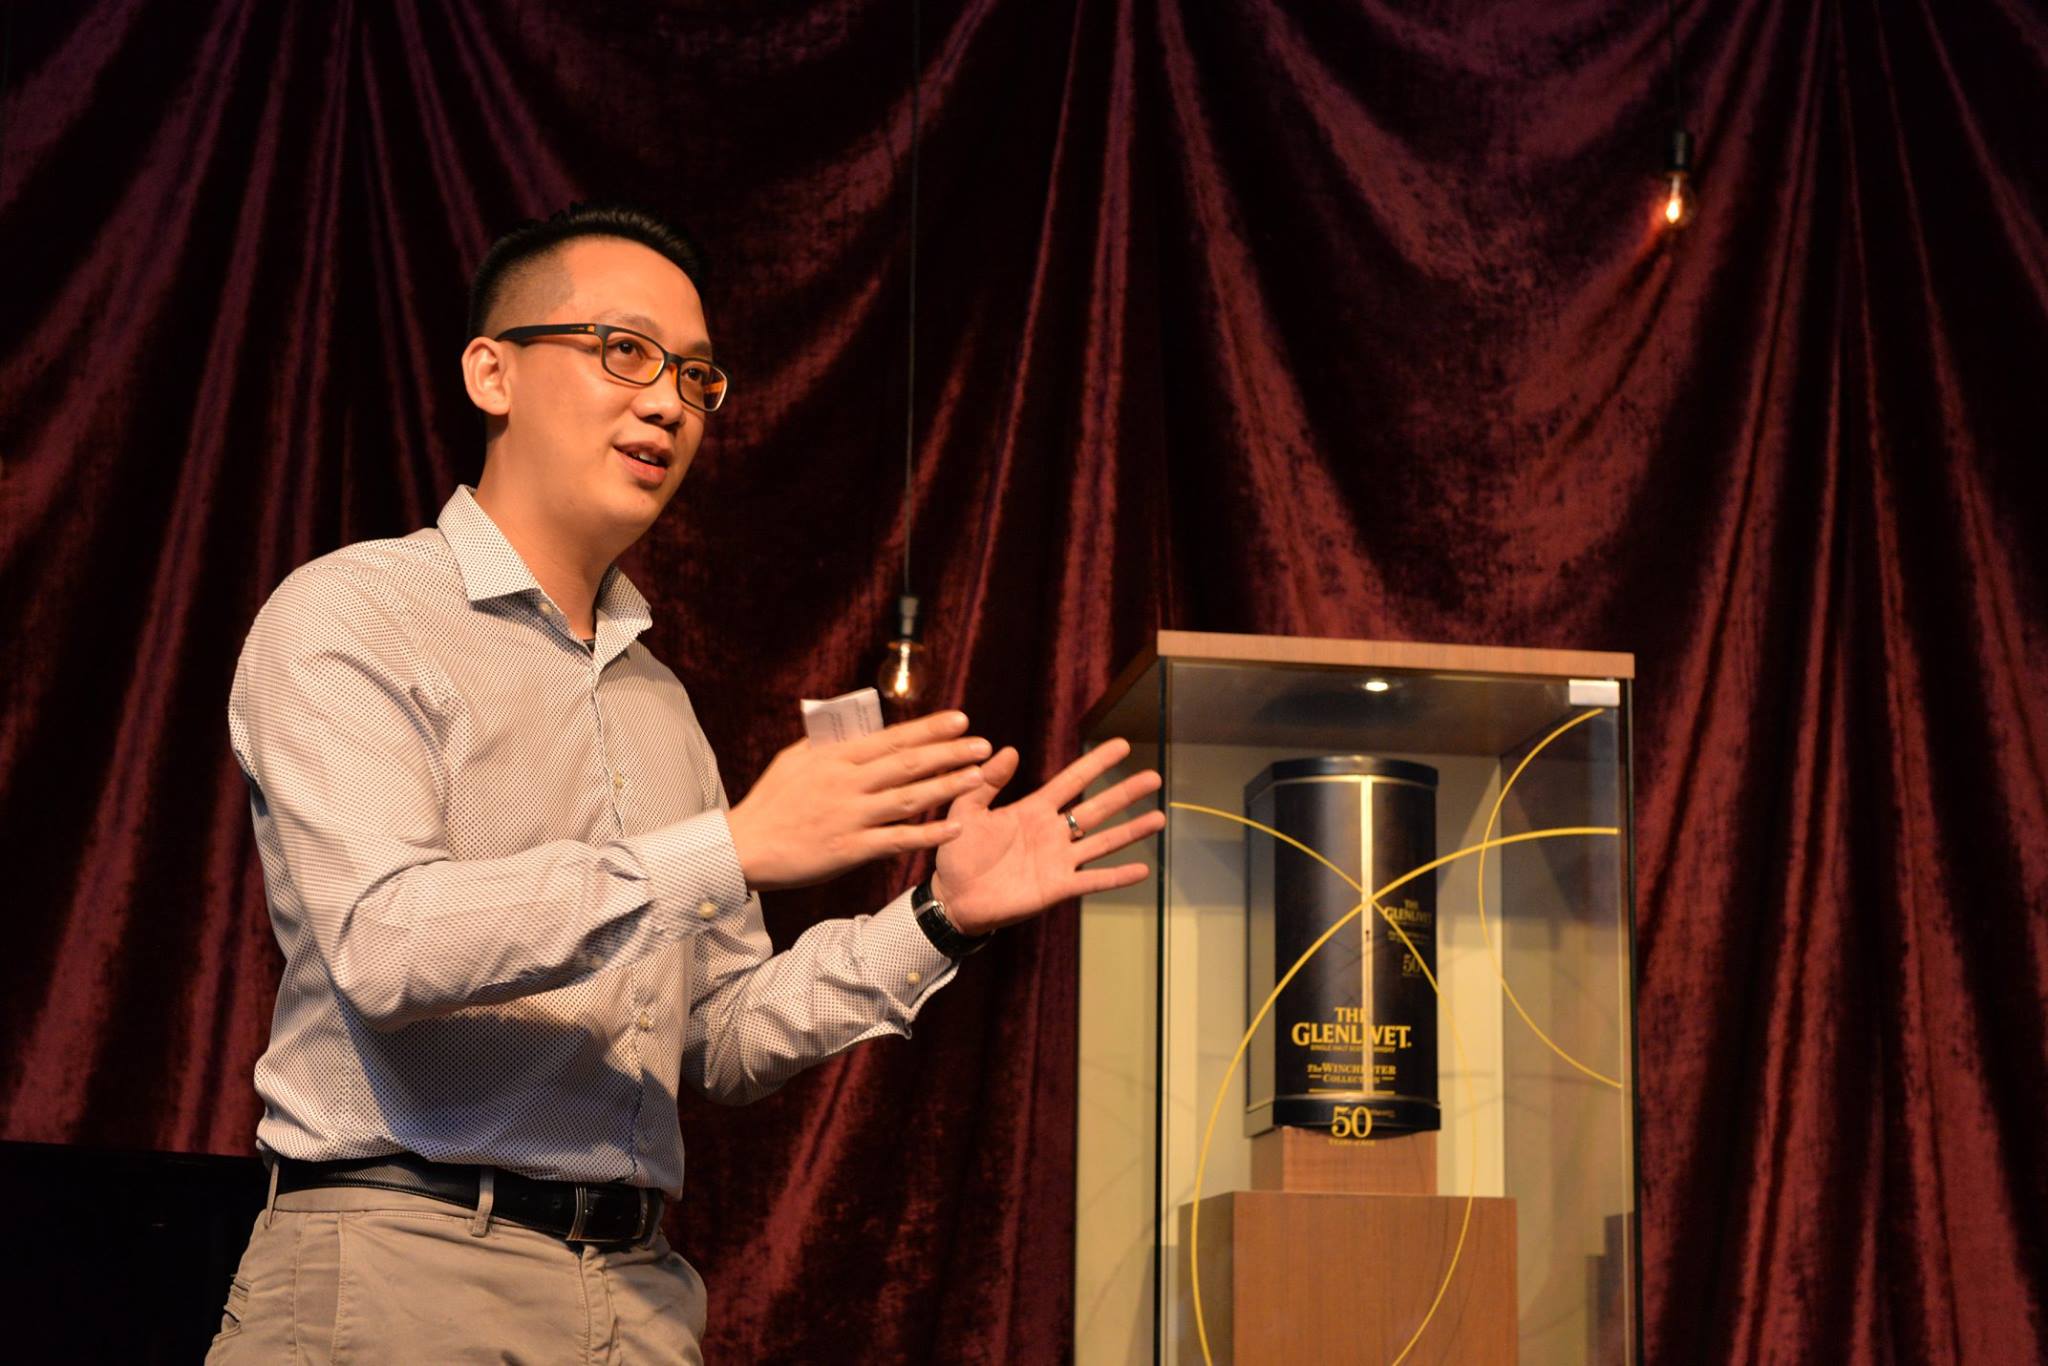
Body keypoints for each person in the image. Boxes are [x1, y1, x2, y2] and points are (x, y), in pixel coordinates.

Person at [206, 202, 1164, 1363]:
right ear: (491, 372)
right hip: (400, 1267)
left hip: (638, 1290)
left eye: (696, 376)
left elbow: (719, 1032)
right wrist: (731, 847)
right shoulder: (353, 613)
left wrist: (935, 916)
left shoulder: (657, 700)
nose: (667, 401)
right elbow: (385, 942)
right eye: (624, 351)